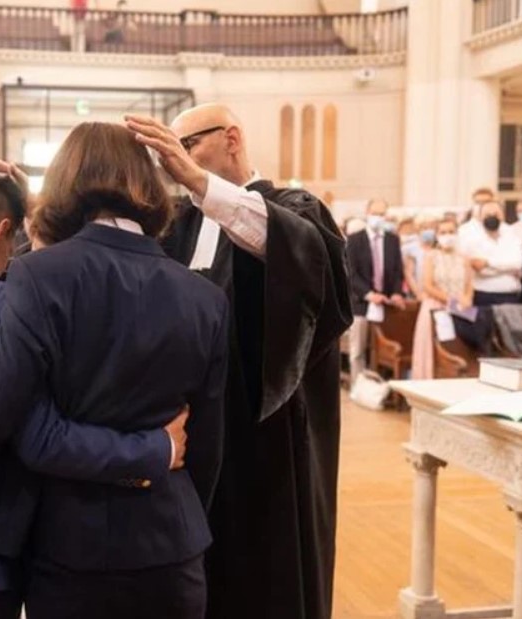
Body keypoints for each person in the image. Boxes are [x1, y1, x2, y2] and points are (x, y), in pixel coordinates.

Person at [0, 123, 229, 619]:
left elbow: (2, 415)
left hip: (70, 545)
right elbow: (208, 446)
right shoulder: (205, 296)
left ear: (64, 183)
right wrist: (158, 459)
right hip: (172, 542)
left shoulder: (37, 274)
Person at [125, 104, 353, 619]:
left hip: (267, 432)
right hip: (190, 432)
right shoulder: (178, 223)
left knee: (265, 574)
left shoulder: (297, 208)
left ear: (231, 137)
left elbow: (306, 270)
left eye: (186, 146)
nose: (174, 163)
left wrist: (200, 183)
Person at [411, 219, 493, 378]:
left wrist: (467, 299)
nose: (447, 236)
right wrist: (449, 300)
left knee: (472, 338)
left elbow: (469, 284)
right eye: (443, 232)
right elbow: (427, 285)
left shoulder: (463, 258)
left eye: (451, 232)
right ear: (437, 235)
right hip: (436, 306)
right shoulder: (431, 256)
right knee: (435, 348)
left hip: (461, 308)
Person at [345, 198, 406, 383]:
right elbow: (351, 273)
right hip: (362, 302)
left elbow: (397, 271)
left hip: (386, 303)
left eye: (382, 214)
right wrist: (369, 294)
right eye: (375, 213)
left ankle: (381, 386)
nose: (378, 218)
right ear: (367, 214)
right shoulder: (355, 240)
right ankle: (359, 387)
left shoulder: (392, 240)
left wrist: (396, 292)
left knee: (381, 348)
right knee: (358, 350)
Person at [460, 200, 522, 306]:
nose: (492, 216)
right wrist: (506, 268)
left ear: (503, 216)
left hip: (510, 295)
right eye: (487, 214)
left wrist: (488, 263)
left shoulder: (512, 234)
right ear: (480, 217)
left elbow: (517, 263)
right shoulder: (471, 238)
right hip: (482, 295)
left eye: (496, 214)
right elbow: (479, 269)